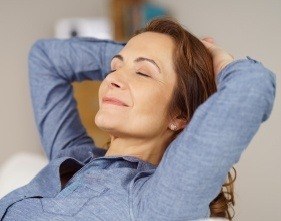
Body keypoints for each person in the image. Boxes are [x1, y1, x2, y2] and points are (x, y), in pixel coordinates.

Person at [0, 17, 276, 221]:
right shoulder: (74, 157)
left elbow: (253, 86)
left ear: (180, 116)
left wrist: (213, 60)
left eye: (143, 73)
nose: (112, 79)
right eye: (114, 67)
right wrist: (140, 52)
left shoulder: (156, 201)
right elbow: (46, 58)